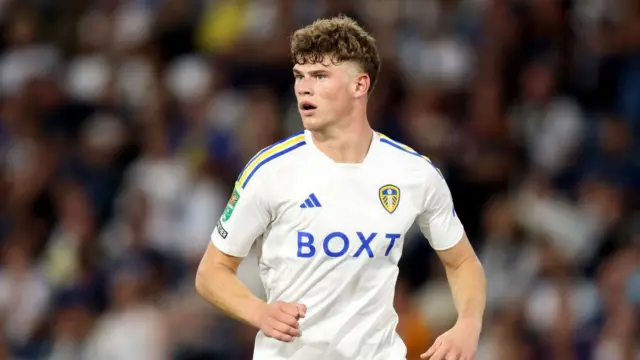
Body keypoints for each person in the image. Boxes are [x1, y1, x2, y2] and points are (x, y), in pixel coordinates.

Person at [195, 15, 486, 360]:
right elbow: (211, 272)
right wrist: (260, 312)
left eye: (319, 76)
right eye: (299, 77)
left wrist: (468, 324)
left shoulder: (414, 173)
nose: (303, 87)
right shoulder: (271, 170)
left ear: (359, 86)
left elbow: (462, 261)